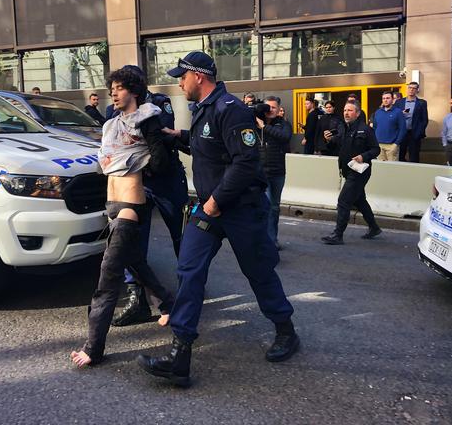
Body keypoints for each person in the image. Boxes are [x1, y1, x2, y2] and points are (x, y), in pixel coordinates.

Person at [137, 51, 298, 387]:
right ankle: (179, 359)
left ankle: (286, 330)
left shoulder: (231, 110)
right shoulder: (204, 110)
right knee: (189, 270)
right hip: (211, 209)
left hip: (239, 208)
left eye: (182, 76)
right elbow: (207, 147)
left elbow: (244, 163)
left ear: (199, 76)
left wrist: (215, 203)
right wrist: (176, 136)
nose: (179, 82)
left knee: (258, 272)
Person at [70, 67, 175, 368]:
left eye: (118, 88)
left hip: (131, 204)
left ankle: (94, 348)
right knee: (135, 263)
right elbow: (104, 161)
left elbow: (162, 162)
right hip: (112, 203)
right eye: (112, 88)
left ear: (134, 90)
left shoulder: (148, 119)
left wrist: (139, 164)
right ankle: (168, 302)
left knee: (108, 276)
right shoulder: (111, 124)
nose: (113, 93)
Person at [111, 65, 189, 327]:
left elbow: (160, 138)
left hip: (166, 181)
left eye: (122, 86)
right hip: (138, 184)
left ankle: (190, 288)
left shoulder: (158, 104)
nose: (116, 93)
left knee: (181, 237)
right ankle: (137, 300)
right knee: (132, 242)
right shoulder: (117, 112)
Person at [322, 101, 381, 245]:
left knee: (343, 201)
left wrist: (363, 156)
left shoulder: (365, 130)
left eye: (350, 110)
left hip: (360, 172)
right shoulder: (344, 129)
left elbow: (376, 149)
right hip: (347, 171)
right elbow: (337, 145)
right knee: (360, 200)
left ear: (358, 113)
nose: (346, 113)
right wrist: (329, 140)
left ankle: (338, 234)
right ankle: (374, 228)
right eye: (344, 110)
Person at [256, 96, 292, 250]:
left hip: (278, 172)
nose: (270, 110)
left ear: (279, 110)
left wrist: (264, 127)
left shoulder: (283, 124)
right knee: (268, 204)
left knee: (275, 207)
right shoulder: (253, 124)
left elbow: (285, 137)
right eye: (267, 107)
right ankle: (266, 240)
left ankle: (272, 238)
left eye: (274, 107)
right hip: (260, 173)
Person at [394, 82, 429, 163]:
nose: (411, 89)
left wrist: (419, 132)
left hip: (414, 134)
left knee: (414, 157)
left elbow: (424, 119)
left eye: (414, 88)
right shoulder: (399, 102)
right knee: (400, 156)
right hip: (402, 133)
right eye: (410, 87)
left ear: (417, 90)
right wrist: (400, 114)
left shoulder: (422, 103)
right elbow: (394, 118)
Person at [373, 91, 406, 161]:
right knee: (381, 169)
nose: (385, 100)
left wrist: (396, 144)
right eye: (383, 98)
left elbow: (402, 129)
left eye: (388, 98)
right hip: (379, 146)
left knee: (392, 169)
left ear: (392, 100)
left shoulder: (398, 112)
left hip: (392, 146)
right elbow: (374, 128)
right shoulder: (378, 112)